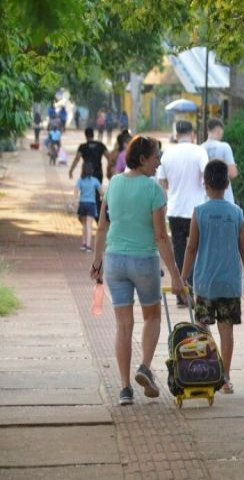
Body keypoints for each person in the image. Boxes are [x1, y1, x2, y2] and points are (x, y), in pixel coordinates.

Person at [90, 135, 184, 406]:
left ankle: (124, 388)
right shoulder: (153, 189)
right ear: (143, 159)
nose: (159, 162)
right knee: (152, 317)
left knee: (123, 325)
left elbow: (102, 228)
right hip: (143, 261)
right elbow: (161, 237)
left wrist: (97, 264)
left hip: (115, 261)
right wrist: (176, 276)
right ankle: (144, 366)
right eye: (156, 157)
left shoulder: (114, 184)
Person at [181, 160, 244, 394]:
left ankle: (205, 370)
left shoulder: (199, 212)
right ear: (226, 183)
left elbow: (191, 248)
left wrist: (182, 277)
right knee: (227, 330)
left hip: (204, 284)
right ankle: (225, 377)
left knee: (201, 326)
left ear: (205, 184)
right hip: (230, 283)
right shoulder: (236, 212)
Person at [156, 120, 209, 306]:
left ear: (176, 135)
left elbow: (161, 182)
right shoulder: (199, 151)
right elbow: (206, 174)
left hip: (175, 209)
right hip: (197, 210)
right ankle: (195, 289)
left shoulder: (167, 154)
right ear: (192, 133)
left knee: (179, 253)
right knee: (197, 250)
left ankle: (181, 293)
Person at [69, 128, 110, 221]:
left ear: (86, 135)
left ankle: (87, 212)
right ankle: (96, 212)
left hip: (86, 172)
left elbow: (77, 159)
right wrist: (109, 169)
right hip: (98, 173)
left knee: (86, 191)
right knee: (97, 192)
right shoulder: (100, 145)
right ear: (93, 135)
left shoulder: (82, 147)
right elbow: (109, 157)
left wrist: (71, 170)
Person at [201, 118, 238, 203]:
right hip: (225, 198)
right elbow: (233, 173)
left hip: (205, 199)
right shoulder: (225, 147)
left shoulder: (200, 148)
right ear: (219, 131)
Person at [73, 162, 103, 252]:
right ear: (92, 170)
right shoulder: (95, 180)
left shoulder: (80, 180)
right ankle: (89, 246)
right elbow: (102, 192)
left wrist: (74, 202)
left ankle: (83, 243)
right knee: (89, 225)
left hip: (82, 204)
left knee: (84, 225)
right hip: (91, 204)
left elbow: (75, 192)